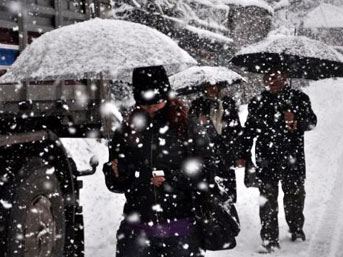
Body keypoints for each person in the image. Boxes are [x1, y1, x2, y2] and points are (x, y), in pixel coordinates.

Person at [103, 65, 214, 257]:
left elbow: (208, 170)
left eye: (157, 102)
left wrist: (171, 178)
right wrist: (116, 172)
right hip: (136, 229)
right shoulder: (127, 129)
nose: (152, 108)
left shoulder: (187, 126)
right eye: (145, 104)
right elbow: (117, 183)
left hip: (181, 228)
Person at [236, 69, 317, 253]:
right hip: (266, 159)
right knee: (267, 200)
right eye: (267, 76)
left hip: (293, 157)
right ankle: (269, 238)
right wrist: (242, 153)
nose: (270, 80)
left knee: (295, 197)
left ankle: (296, 228)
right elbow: (249, 130)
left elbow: (312, 122)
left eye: (275, 76)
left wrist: (297, 121)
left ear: (285, 77)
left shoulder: (299, 98)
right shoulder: (258, 101)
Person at [189, 83, 242, 203]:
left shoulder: (227, 103)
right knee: (210, 189)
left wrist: (238, 153)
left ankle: (230, 213)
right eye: (208, 86)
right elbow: (191, 128)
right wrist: (199, 122)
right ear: (203, 89)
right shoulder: (197, 105)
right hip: (206, 151)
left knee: (227, 190)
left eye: (215, 86)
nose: (213, 89)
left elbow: (236, 129)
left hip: (225, 149)